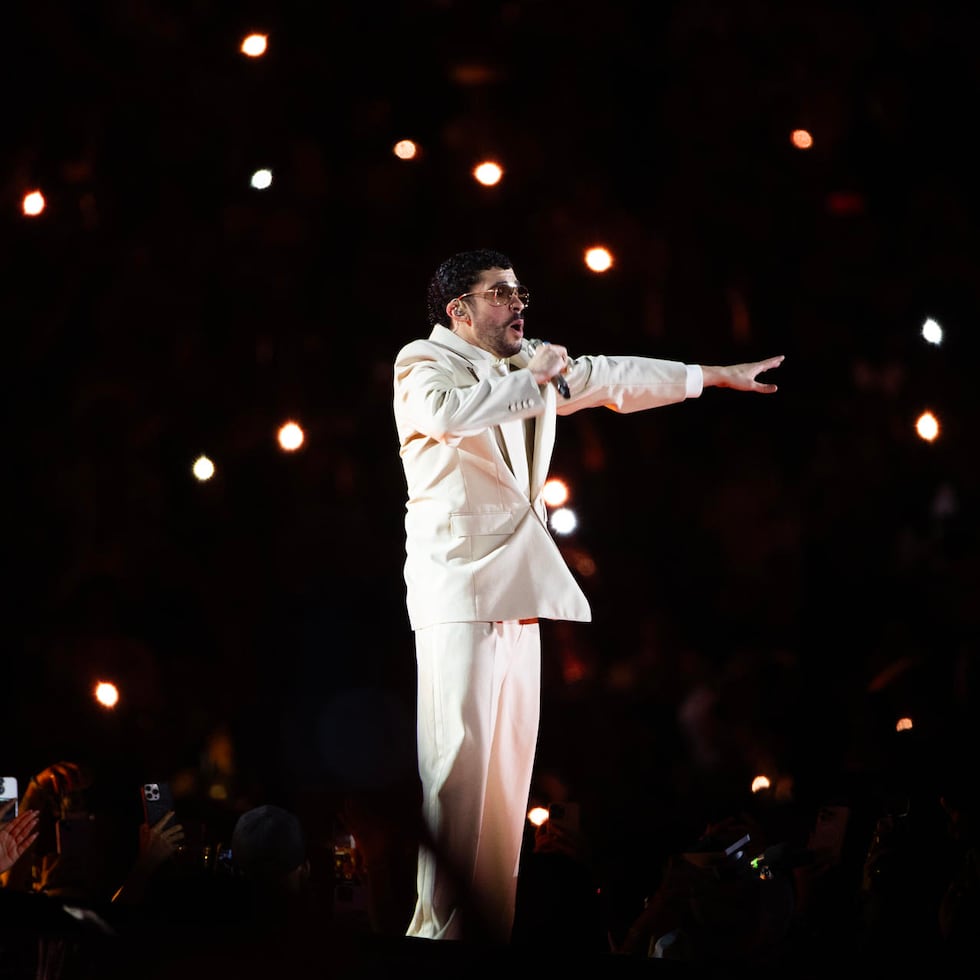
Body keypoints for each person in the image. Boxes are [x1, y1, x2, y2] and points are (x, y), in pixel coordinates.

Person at [392, 248, 785, 944]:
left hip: (517, 585)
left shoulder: (529, 362)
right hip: (458, 587)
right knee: (457, 771)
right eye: (499, 293)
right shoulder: (423, 363)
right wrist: (533, 376)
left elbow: (610, 377)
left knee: (509, 780)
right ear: (459, 311)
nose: (518, 305)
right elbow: (451, 415)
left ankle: (486, 933)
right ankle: (434, 936)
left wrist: (712, 377)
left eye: (520, 292)